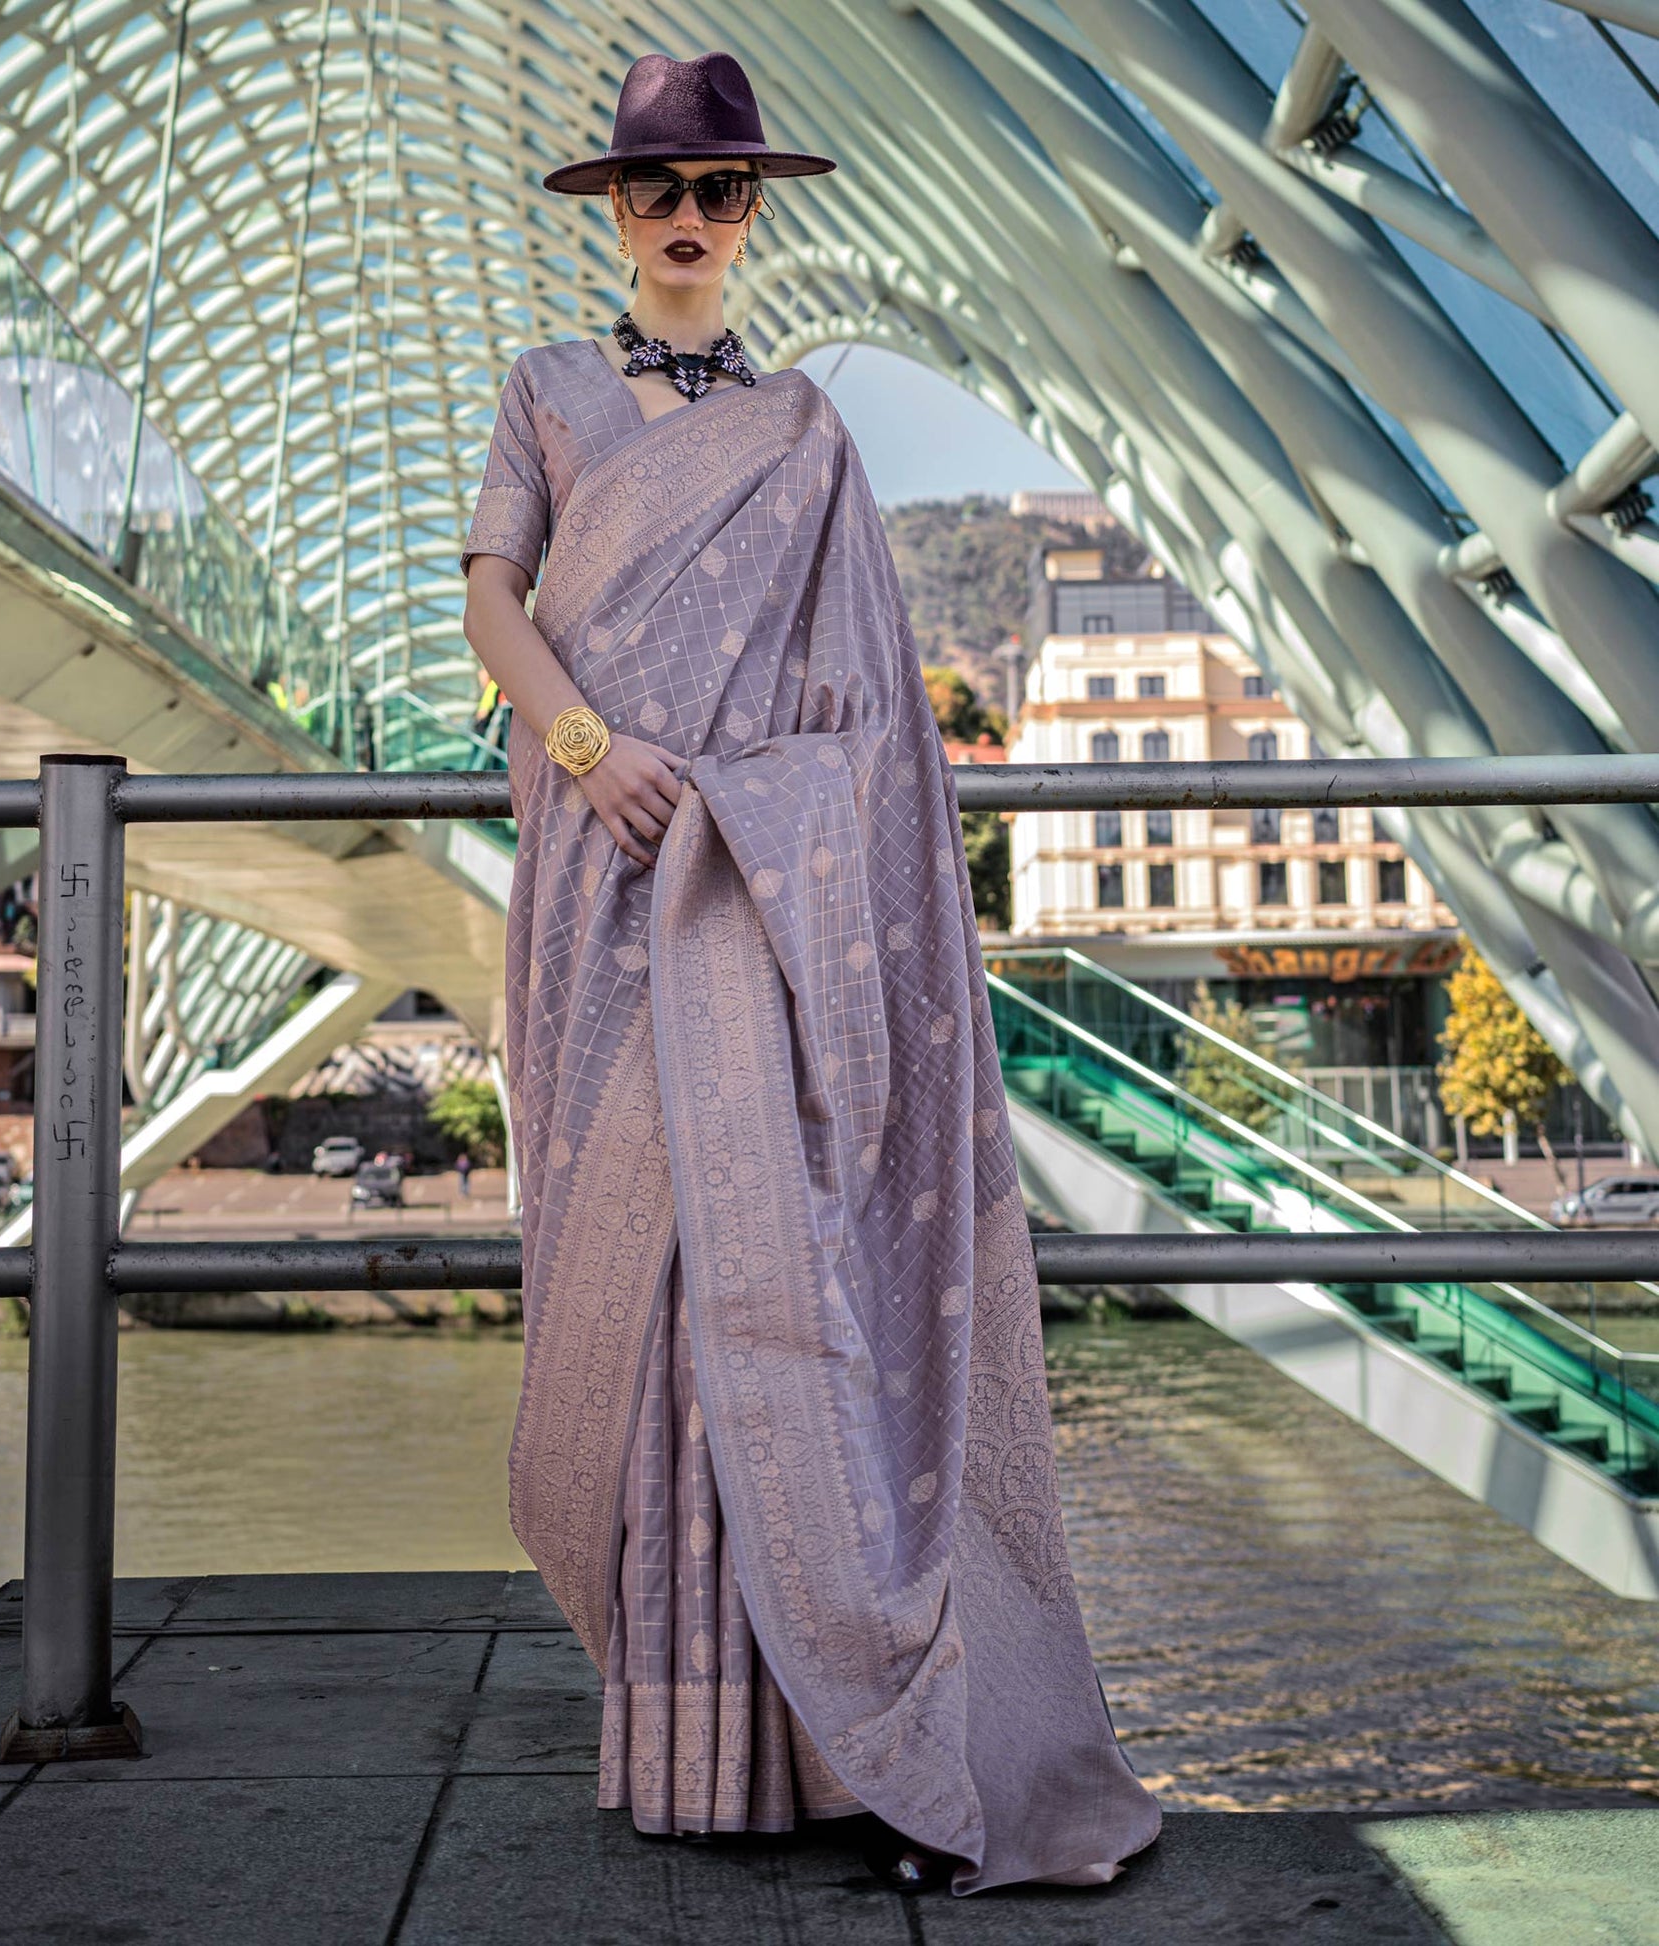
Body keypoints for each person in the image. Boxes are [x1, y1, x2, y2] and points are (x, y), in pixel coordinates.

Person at [459, 50, 1161, 1897]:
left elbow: (865, 715)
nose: (686, 222)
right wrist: (594, 748)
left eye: (718, 194)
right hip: (600, 896)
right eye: (654, 195)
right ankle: (679, 1742)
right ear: (611, 213)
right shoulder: (541, 392)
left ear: (753, 214)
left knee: (767, 1293)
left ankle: (829, 1740)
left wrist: (761, 817)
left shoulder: (804, 438)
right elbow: (487, 605)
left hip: (756, 906)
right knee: (640, 1310)